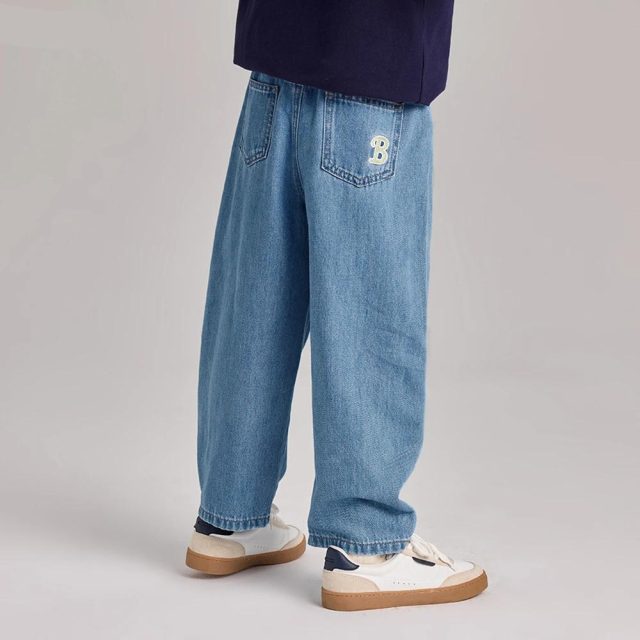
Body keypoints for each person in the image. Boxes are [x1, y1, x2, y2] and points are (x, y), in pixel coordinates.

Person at [185, 0, 487, 611]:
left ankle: (230, 516)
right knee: (372, 309)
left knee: (255, 296)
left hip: (274, 64)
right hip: (372, 67)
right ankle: (366, 543)